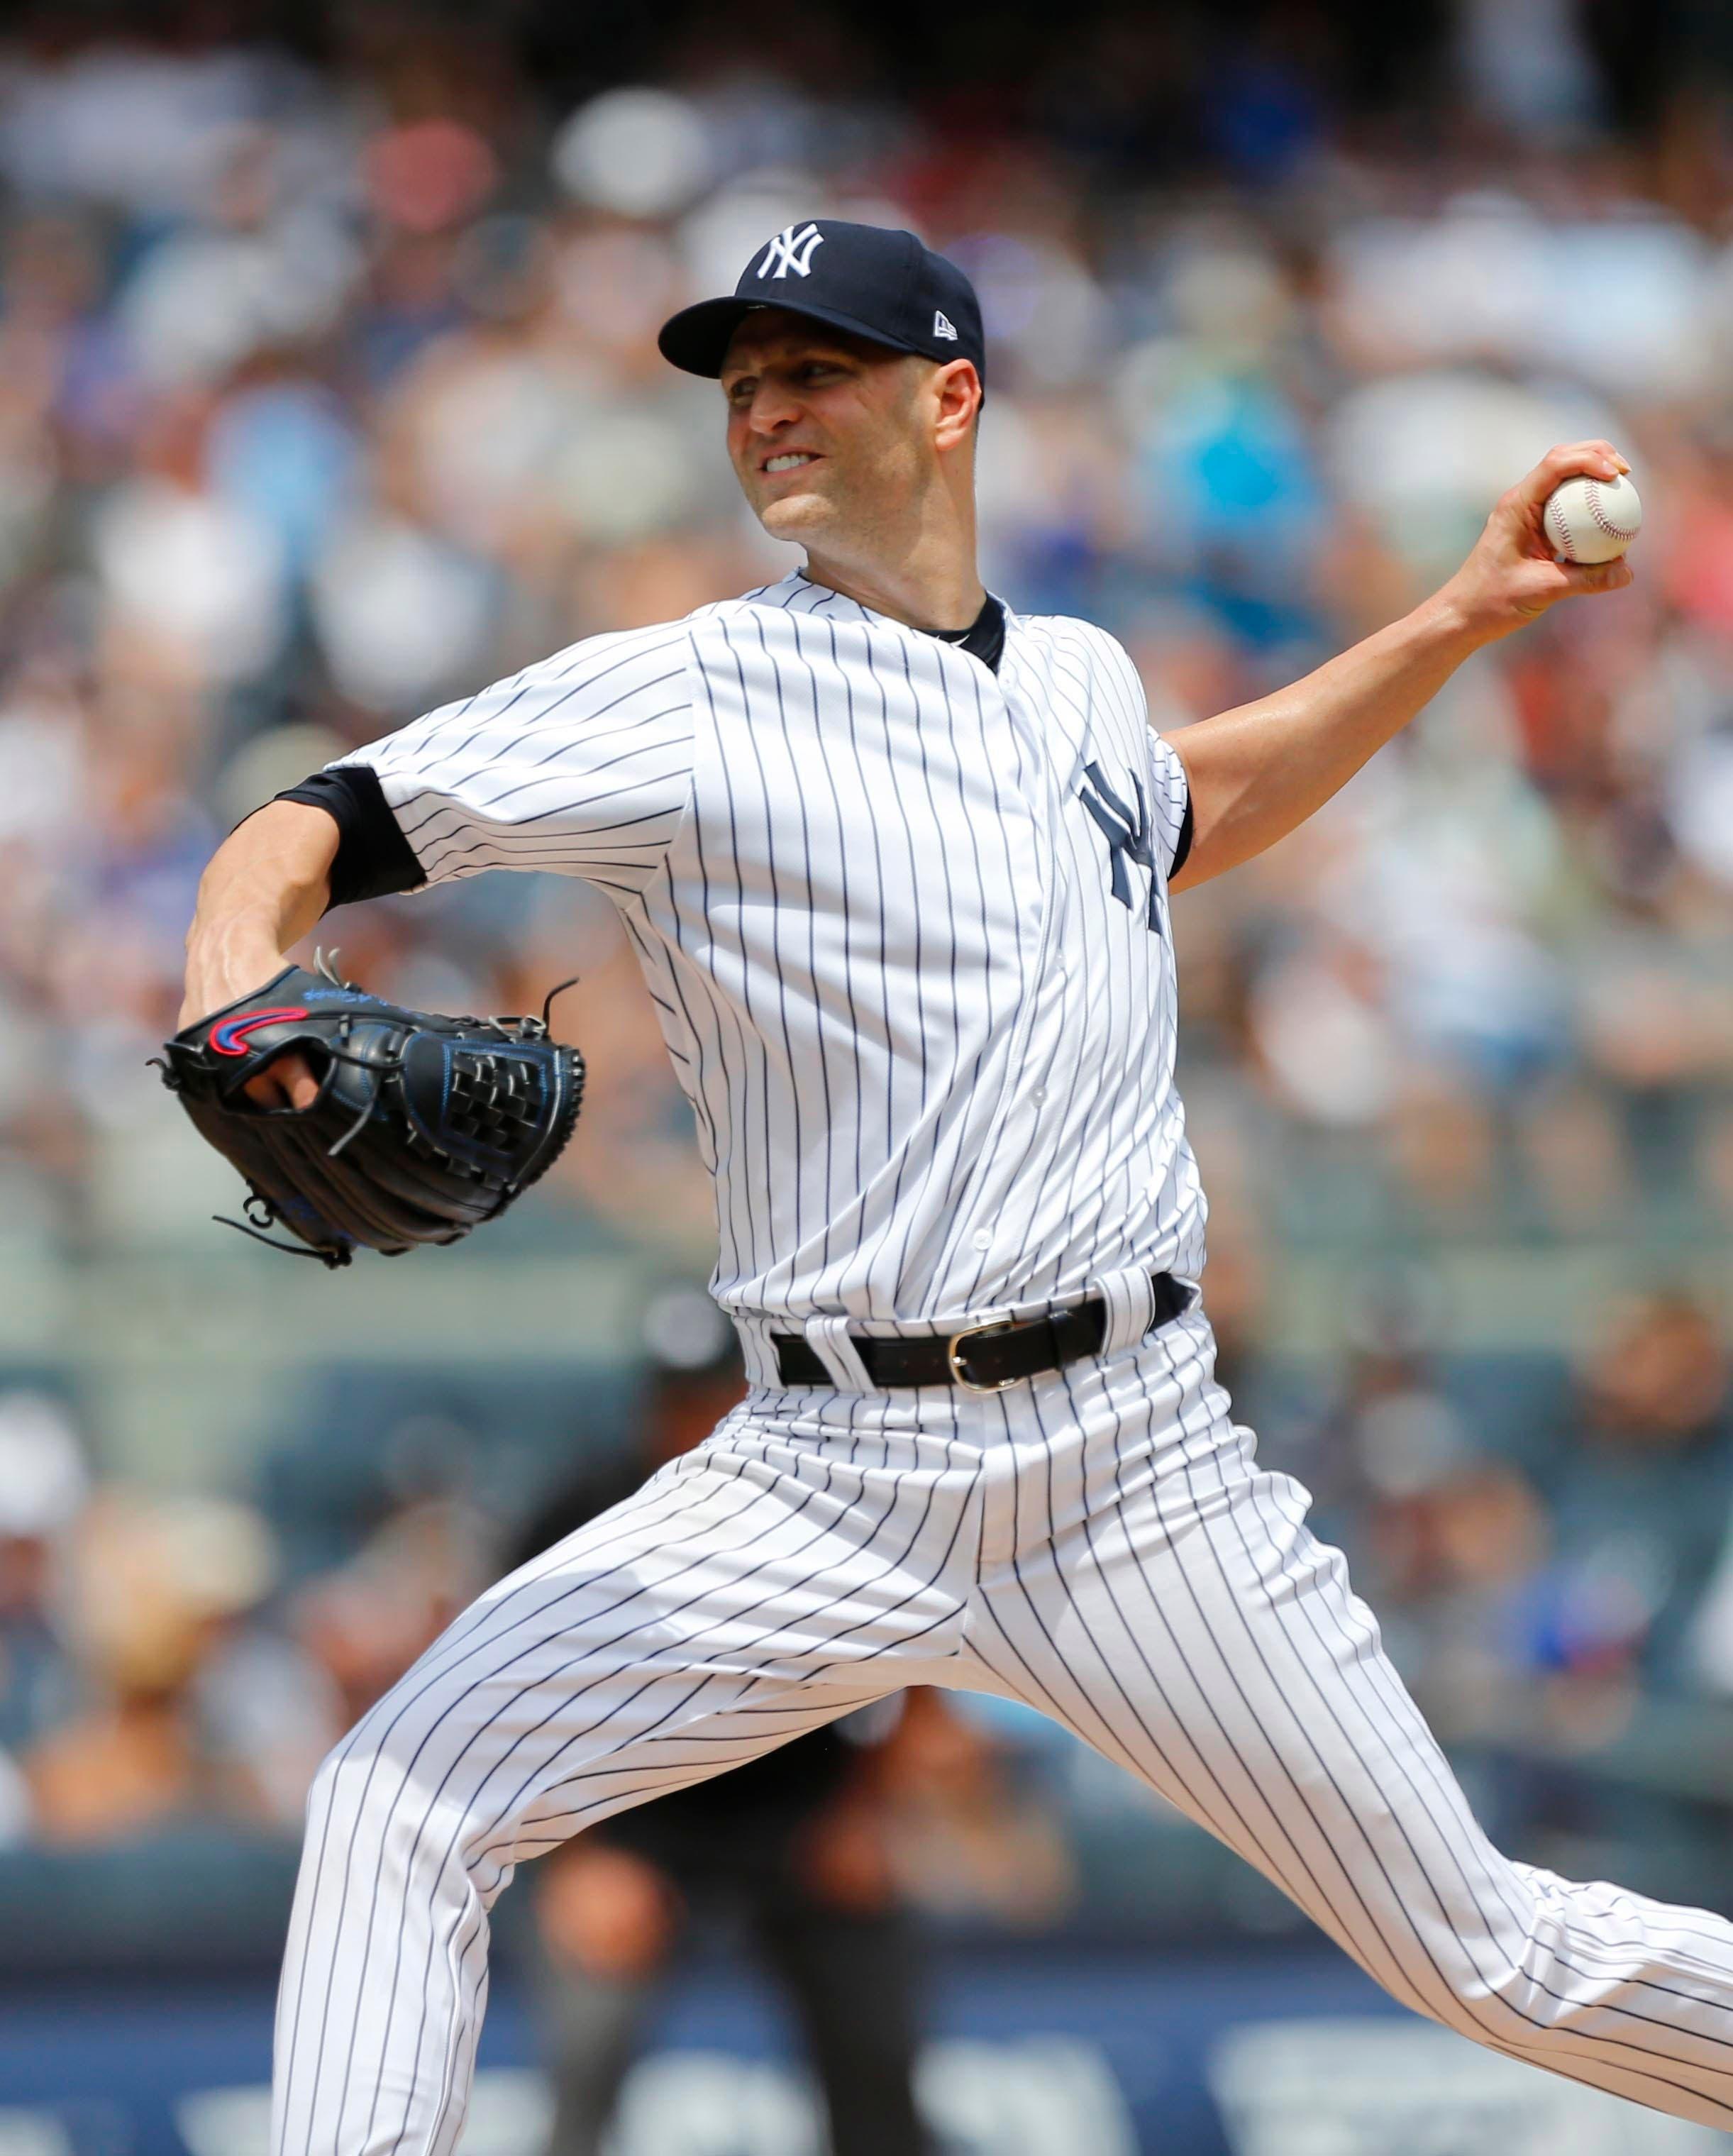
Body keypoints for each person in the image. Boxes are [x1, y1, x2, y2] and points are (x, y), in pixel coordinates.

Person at [176, 221, 1733, 2156]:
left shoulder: (1074, 680)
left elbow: (1187, 809)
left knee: (1487, 1950)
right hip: (817, 1475)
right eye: (743, 388)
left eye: (812, 369)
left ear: (950, 395)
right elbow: (317, 820)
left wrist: (1453, 621)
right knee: (398, 1797)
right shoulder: (692, 692)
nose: (768, 412)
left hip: (1133, 1465)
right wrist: (235, 978)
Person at [515, 1299, 932, 2156]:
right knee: (584, 2061)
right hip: (633, 1828)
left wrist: (863, 1810)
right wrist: (578, 1859)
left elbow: (924, 1663)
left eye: (718, 1396)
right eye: (679, 1401)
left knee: (877, 2060)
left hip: (800, 1813)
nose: (697, 1420)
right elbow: (513, 1710)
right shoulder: (583, 1517)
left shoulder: (833, 1505)